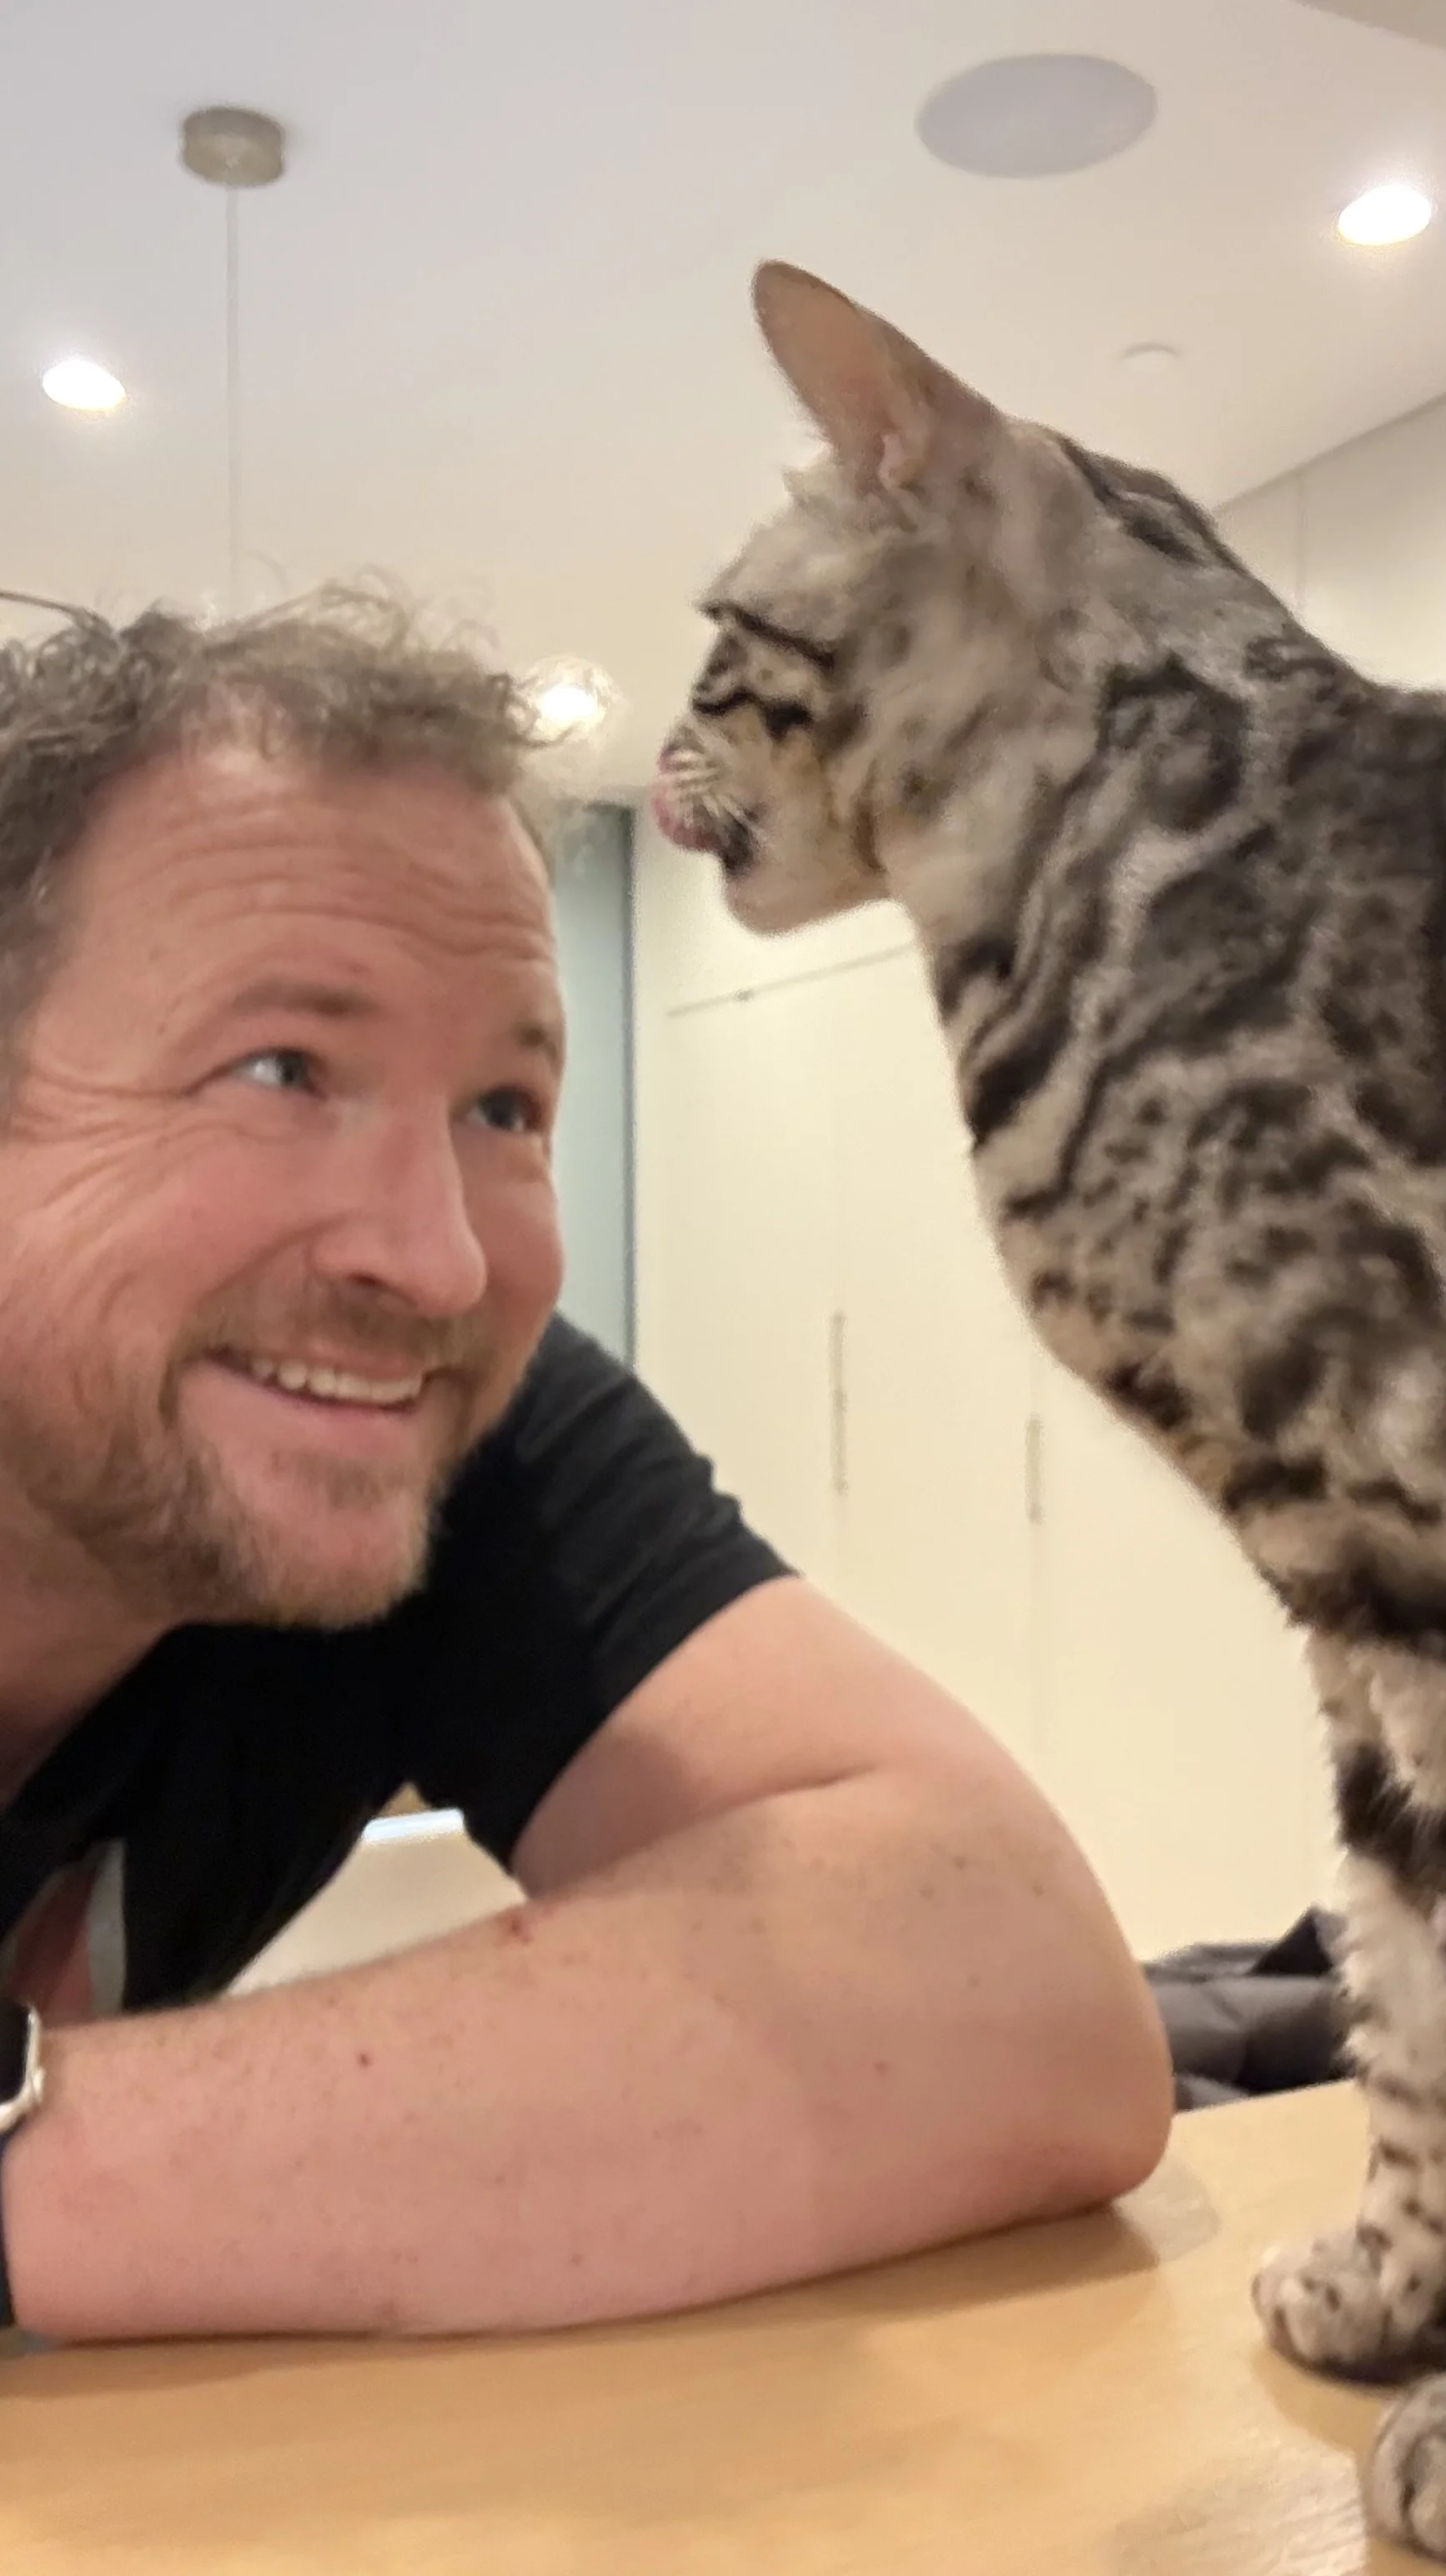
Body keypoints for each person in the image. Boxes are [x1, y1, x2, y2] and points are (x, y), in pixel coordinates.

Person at [0, 591, 1171, 2347]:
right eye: (279, 1068)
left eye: (504, 1110)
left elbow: (1014, 1987)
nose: (443, 1262)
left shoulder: (419, 1432)